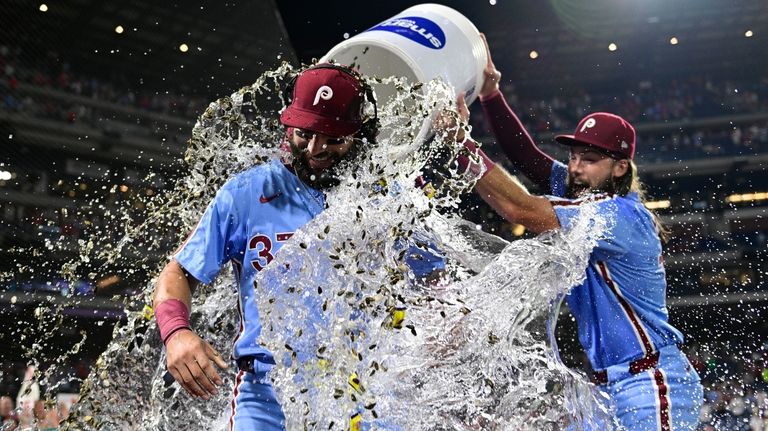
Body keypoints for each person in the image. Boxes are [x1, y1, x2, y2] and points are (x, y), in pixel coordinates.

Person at [153, 63, 443, 430]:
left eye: (333, 137)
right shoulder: (247, 193)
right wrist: (176, 331)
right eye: (304, 133)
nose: (315, 149)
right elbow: (178, 272)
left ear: (360, 135)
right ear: (287, 123)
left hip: (364, 392)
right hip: (265, 392)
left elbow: (436, 282)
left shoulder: (388, 200)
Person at [449, 35, 703, 430]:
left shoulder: (620, 216)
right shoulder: (586, 195)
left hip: (650, 378)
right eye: (572, 156)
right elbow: (527, 158)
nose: (575, 167)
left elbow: (520, 208)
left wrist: (460, 145)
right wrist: (491, 95)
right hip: (605, 386)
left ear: (620, 168)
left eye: (590, 159)